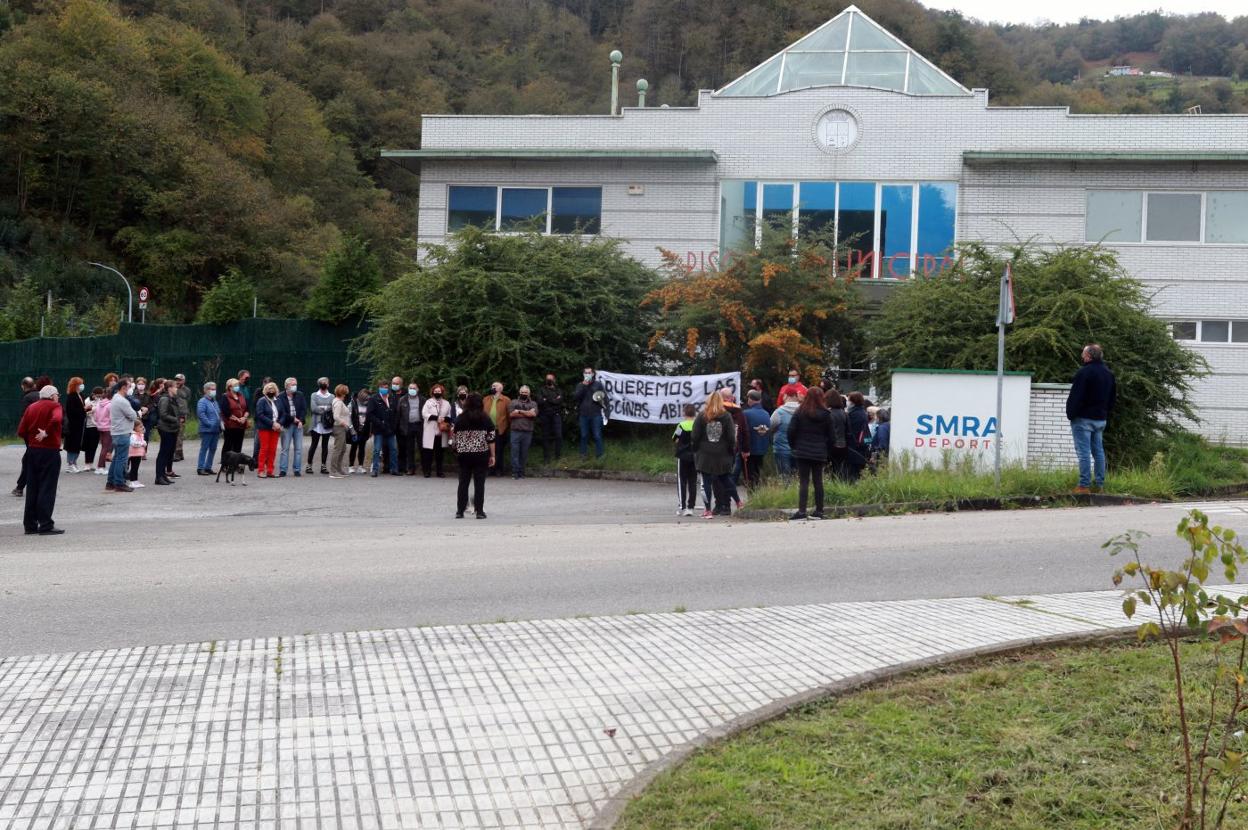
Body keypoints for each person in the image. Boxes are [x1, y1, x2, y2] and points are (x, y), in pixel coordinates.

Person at [1067, 343, 1117, 494]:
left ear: (1088, 355)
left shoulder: (1084, 373)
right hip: (1100, 419)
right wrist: (1105, 412)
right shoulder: (1108, 373)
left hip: (1083, 418)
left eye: (1083, 354)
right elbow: (1112, 397)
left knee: (1083, 453)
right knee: (1099, 452)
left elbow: (1076, 396)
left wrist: (1071, 413)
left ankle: (1084, 486)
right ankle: (1099, 485)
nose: (1082, 356)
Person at [17, 385, 64, 533]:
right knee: (47, 487)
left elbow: (21, 431)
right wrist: (46, 432)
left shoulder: (31, 407)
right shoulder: (55, 406)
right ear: (52, 396)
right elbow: (57, 419)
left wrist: (32, 440)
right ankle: (45, 524)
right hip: (49, 451)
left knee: (33, 487)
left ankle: (30, 525)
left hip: (32, 451)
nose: (58, 397)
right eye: (57, 394)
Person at [787, 386, 835, 520]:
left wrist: (794, 446)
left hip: (802, 451)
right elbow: (832, 437)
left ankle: (802, 511)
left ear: (807, 396)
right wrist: (827, 450)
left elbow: (791, 431)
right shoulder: (826, 414)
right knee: (818, 481)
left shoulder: (799, 412)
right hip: (819, 451)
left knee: (804, 481)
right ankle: (819, 511)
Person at [692, 390, 736, 518]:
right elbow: (731, 437)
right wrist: (730, 450)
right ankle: (731, 504)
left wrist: (696, 449)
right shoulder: (727, 415)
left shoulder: (702, 416)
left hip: (705, 454)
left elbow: (695, 436)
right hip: (722, 453)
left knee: (707, 483)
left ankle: (708, 509)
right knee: (725, 479)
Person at [451, 392, 496, 519]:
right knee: (479, 483)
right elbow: (491, 438)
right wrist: (492, 455)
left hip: (464, 455)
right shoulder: (485, 418)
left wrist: (456, 449)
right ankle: (479, 511)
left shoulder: (460, 418)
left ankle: (460, 511)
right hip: (481, 454)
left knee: (463, 483)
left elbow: (454, 436)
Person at [104, 377, 137, 492]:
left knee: (117, 458)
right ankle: (119, 483)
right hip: (122, 432)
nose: (130, 389)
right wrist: (136, 413)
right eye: (129, 386)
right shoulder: (122, 400)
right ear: (123, 387)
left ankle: (110, 482)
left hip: (117, 433)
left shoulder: (115, 398)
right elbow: (133, 415)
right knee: (121, 459)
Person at [720, 390, 748, 509]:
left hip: (721, 449)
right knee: (727, 476)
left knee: (721, 478)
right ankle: (729, 503)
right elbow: (744, 431)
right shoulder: (739, 412)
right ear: (731, 397)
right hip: (734, 448)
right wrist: (745, 449)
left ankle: (723, 505)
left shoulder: (719, 411)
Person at [276, 377, 306, 477]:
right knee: (285, 448)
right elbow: (281, 412)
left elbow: (303, 409)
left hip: (298, 425)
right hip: (287, 424)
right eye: (293, 384)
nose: (295, 386)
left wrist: (301, 420)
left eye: (295, 384)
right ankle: (283, 470)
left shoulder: (300, 395)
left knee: (298, 449)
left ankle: (297, 469)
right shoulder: (280, 396)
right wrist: (292, 419)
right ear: (287, 386)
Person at [574, 367, 607, 459]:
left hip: (596, 414)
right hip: (583, 414)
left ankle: (600, 455)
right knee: (584, 435)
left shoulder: (598, 384)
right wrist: (584, 385)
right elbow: (576, 397)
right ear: (583, 374)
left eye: (589, 373)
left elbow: (604, 397)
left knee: (597, 435)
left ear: (593, 374)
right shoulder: (580, 385)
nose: (587, 374)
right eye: (586, 373)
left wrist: (606, 411)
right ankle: (583, 454)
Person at [672, 403, 698, 516]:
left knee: (681, 481)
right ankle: (691, 507)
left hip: (683, 456)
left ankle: (682, 506)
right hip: (695, 456)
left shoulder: (681, 425)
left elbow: (674, 438)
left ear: (684, 413)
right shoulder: (698, 425)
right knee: (693, 482)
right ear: (695, 413)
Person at [368, 381, 399, 477]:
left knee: (393, 449)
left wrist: (393, 426)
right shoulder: (374, 398)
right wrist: (380, 423)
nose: (384, 388)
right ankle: (375, 470)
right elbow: (370, 414)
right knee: (377, 450)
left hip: (390, 429)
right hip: (379, 429)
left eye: (386, 387)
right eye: (382, 387)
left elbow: (395, 413)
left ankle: (394, 469)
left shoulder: (392, 398)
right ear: (379, 387)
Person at [421, 384, 452, 478]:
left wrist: (444, 419)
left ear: (442, 392)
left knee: (440, 453)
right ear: (432, 392)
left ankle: (440, 472)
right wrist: (436, 418)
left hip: (441, 431)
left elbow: (450, 416)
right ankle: (427, 471)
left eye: (439, 391)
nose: (437, 393)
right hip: (430, 430)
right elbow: (424, 414)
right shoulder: (428, 402)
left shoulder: (447, 403)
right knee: (428, 453)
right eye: (436, 391)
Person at [153, 381, 181, 486]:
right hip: (166, 429)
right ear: (169, 388)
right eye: (175, 387)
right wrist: (175, 419)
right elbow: (163, 414)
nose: (176, 389)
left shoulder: (172, 399)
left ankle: (163, 475)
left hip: (172, 429)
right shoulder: (164, 399)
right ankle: (158, 476)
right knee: (163, 453)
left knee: (169, 453)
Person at [742, 390, 771, 488]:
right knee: (757, 474)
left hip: (750, 449)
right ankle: (757, 495)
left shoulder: (746, 413)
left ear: (750, 399)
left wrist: (742, 448)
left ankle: (752, 497)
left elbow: (743, 432)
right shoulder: (766, 414)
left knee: (749, 476)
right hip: (762, 449)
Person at [305, 377, 334, 475]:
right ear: (319, 384)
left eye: (326, 382)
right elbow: (313, 408)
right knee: (314, 444)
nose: (324, 383)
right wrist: (326, 409)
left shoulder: (332, 396)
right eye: (322, 382)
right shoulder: (314, 395)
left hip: (327, 424)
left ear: (328, 384)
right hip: (316, 424)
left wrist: (321, 408)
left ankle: (323, 466)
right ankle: (309, 465)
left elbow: (332, 408)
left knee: (325, 446)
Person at [508, 385, 537, 479]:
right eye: (522, 392)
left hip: (527, 432)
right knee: (514, 453)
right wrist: (527, 413)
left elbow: (533, 414)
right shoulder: (513, 402)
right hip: (515, 431)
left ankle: (521, 472)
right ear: (519, 392)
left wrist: (519, 411)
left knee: (524, 453)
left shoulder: (533, 403)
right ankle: (515, 472)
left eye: (526, 392)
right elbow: (511, 414)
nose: (524, 394)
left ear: (529, 394)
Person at [254, 382, 281, 478]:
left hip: (276, 429)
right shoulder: (262, 400)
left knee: (272, 450)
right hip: (265, 428)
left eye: (273, 389)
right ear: (265, 390)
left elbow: (282, 414)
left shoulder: (278, 400)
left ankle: (270, 471)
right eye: (269, 389)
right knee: (264, 449)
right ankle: (261, 470)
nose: (271, 391)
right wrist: (272, 423)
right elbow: (260, 415)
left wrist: (279, 424)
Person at [770, 391, 800, 477]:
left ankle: (786, 490)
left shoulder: (779, 412)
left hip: (781, 449)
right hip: (799, 449)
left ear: (786, 396)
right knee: (798, 477)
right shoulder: (803, 410)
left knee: (784, 476)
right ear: (796, 396)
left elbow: (770, 426)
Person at [484, 382, 511, 477]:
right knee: (487, 450)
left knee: (499, 450)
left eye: (494, 386)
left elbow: (509, 416)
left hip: (499, 429)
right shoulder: (486, 399)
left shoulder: (506, 400)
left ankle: (498, 469)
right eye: (492, 386)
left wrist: (507, 427)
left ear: (500, 389)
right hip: (487, 429)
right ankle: (489, 469)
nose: (492, 388)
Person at [397, 380, 423, 476]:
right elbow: (398, 415)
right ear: (408, 389)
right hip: (408, 426)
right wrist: (399, 427)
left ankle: (425, 469)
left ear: (418, 389)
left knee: (422, 448)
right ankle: (411, 469)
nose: (412, 390)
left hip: (419, 425)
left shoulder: (422, 399)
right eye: (410, 388)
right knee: (409, 449)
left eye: (414, 388)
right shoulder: (402, 399)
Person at [537, 373, 564, 462]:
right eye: (547, 379)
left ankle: (558, 456)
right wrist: (554, 400)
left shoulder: (558, 390)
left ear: (554, 380)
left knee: (558, 436)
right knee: (545, 436)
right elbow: (540, 401)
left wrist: (547, 399)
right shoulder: (541, 390)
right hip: (545, 415)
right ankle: (546, 458)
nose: (548, 380)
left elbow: (559, 402)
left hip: (556, 415)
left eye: (550, 379)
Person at [62, 377, 86, 473]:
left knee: (77, 444)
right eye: (80, 384)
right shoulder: (71, 396)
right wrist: (83, 410)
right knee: (72, 444)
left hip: (80, 424)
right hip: (73, 425)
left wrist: (85, 409)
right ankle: (70, 464)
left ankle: (74, 462)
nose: (82, 386)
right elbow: (71, 411)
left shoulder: (80, 395)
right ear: (75, 385)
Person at [826, 390, 851, 482]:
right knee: (840, 469)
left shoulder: (828, 414)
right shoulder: (845, 414)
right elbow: (848, 432)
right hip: (843, 445)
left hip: (830, 446)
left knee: (829, 469)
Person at [196, 382, 221, 475]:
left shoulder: (214, 401)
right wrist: (209, 424)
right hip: (207, 429)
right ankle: (200, 467)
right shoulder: (202, 401)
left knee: (213, 449)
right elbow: (201, 414)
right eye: (211, 389)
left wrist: (220, 423)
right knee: (204, 448)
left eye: (214, 389)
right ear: (206, 390)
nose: (214, 391)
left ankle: (208, 467)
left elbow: (218, 413)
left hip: (216, 430)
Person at [328, 384, 352, 479]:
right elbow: (336, 416)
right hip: (339, 428)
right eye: (346, 391)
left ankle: (339, 469)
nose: (347, 392)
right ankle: (333, 471)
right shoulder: (338, 403)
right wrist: (343, 423)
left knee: (342, 449)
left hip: (341, 428)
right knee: (338, 449)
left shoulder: (339, 401)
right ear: (343, 392)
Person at [845, 391, 870, 482]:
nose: (847, 402)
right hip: (861, 447)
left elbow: (851, 432)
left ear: (853, 402)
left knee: (853, 474)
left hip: (854, 448)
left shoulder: (855, 414)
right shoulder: (862, 412)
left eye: (849, 400)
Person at [220, 378, 249, 456]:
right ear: (230, 387)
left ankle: (236, 464)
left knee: (238, 445)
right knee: (228, 445)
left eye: (238, 385)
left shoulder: (241, 396)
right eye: (235, 385)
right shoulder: (225, 396)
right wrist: (237, 419)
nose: (237, 387)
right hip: (230, 425)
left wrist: (244, 418)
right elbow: (226, 412)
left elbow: (247, 409)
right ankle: (225, 464)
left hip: (241, 425)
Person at [91, 381, 114, 476]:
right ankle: (100, 467)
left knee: (103, 447)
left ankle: (102, 467)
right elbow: (112, 418)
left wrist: (98, 423)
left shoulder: (99, 404)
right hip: (108, 428)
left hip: (100, 427)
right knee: (106, 448)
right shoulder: (110, 405)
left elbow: (95, 416)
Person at [383, 376, 404, 473]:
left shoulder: (405, 395)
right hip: (389, 424)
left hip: (401, 425)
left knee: (402, 446)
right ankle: (386, 466)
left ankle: (401, 467)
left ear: (401, 384)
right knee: (386, 446)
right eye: (393, 383)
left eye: (397, 383)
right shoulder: (388, 394)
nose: (394, 385)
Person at [349, 388, 372, 474]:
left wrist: (370, 430)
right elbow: (349, 418)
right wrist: (352, 430)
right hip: (355, 429)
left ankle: (360, 466)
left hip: (364, 429)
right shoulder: (353, 403)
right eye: (365, 399)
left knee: (362, 448)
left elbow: (370, 417)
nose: (366, 401)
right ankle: (351, 466)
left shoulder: (369, 403)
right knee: (354, 447)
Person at [81, 387, 102, 471]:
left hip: (97, 426)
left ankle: (91, 463)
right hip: (89, 425)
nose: (98, 397)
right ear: (93, 394)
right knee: (88, 445)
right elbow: (84, 412)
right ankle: (87, 464)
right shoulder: (87, 401)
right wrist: (90, 410)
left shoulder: (100, 401)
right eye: (97, 395)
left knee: (94, 445)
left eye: (100, 396)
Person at [172, 373, 191, 462]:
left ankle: (177, 453)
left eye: (180, 380)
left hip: (182, 413)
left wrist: (183, 415)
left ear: (183, 381)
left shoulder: (186, 390)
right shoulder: (173, 388)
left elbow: (185, 401)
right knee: (176, 433)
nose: (178, 381)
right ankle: (180, 453)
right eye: (176, 380)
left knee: (179, 434)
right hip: (174, 413)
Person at [127, 417, 147, 488]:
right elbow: (133, 443)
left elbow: (141, 440)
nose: (142, 428)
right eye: (140, 427)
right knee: (134, 468)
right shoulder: (133, 435)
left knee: (136, 467)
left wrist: (144, 442)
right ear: (134, 428)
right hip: (134, 454)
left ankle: (135, 481)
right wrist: (142, 443)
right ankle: (132, 481)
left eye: (142, 426)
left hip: (138, 454)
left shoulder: (140, 434)